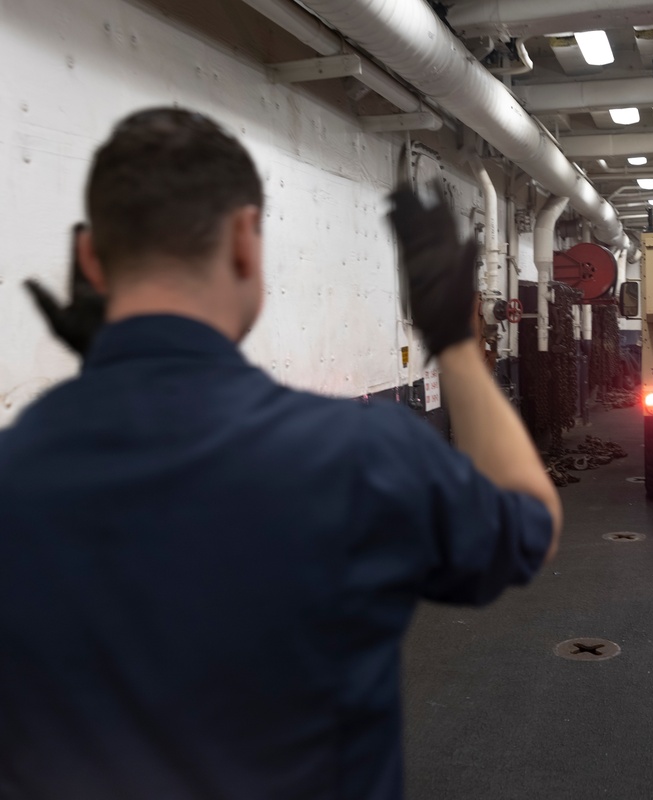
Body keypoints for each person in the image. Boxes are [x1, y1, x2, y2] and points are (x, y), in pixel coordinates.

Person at [0, 108, 561, 799]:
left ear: (90, 260)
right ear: (244, 240)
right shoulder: (361, 456)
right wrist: (453, 341)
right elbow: (528, 523)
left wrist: (116, 377)